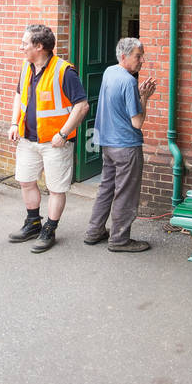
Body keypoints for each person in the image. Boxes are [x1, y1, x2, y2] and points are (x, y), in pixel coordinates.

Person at [7, 23, 88, 253]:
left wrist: (63, 134)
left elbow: (82, 106)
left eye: (25, 44)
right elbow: (18, 95)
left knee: (55, 188)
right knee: (25, 180)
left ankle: (50, 229)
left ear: (39, 46)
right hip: (27, 139)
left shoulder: (64, 71)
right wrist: (14, 123)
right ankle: (33, 223)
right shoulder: (26, 67)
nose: (21, 47)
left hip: (55, 144)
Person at [83, 36, 157, 252]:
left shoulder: (109, 72)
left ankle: (94, 231)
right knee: (126, 193)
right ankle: (119, 240)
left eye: (142, 55)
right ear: (124, 56)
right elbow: (137, 122)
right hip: (126, 146)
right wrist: (144, 98)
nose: (142, 60)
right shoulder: (128, 81)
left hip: (107, 144)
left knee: (106, 188)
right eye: (137, 56)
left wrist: (137, 95)